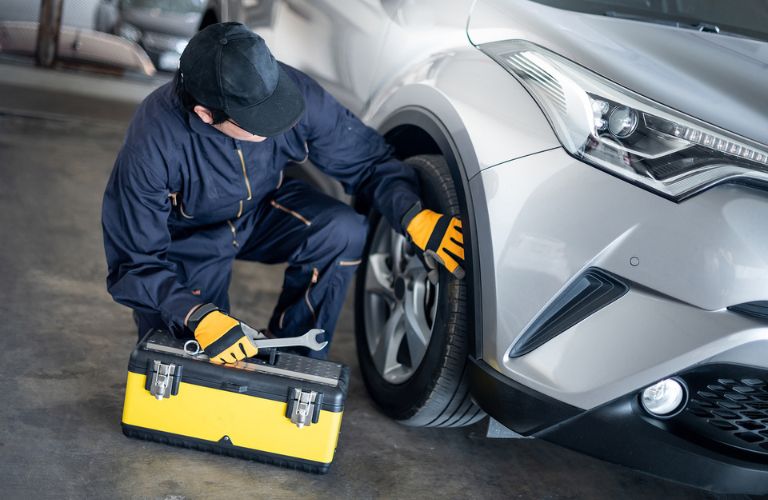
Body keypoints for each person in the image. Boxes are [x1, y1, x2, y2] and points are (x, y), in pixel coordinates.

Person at [101, 22, 464, 362]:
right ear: (206, 114)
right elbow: (134, 263)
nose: (278, 123)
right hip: (189, 240)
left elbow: (368, 159)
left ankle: (294, 358)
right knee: (196, 356)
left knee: (341, 230)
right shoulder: (153, 142)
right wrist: (193, 313)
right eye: (260, 120)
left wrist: (411, 212)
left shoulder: (286, 87)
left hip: (262, 209)